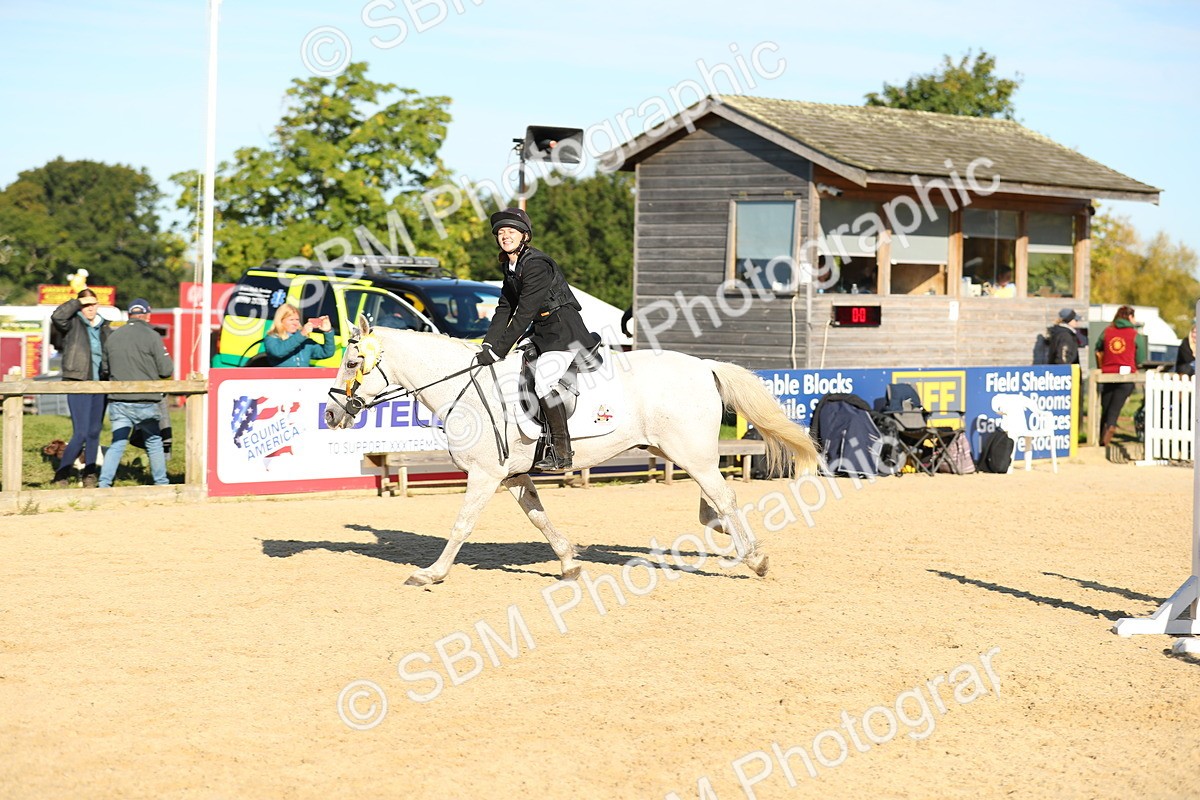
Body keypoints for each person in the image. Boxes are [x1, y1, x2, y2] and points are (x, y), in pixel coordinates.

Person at [475, 207, 596, 471]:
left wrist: (499, 350)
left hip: (564, 331)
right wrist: (487, 344)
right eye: (501, 232)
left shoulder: (537, 265)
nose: (505, 236)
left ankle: (562, 452)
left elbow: (524, 312)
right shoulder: (511, 267)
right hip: (543, 332)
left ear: (524, 236)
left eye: (511, 232)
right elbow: (504, 308)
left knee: (543, 381)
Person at [98, 299, 175, 488]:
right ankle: (161, 483)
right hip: (147, 400)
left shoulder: (113, 337)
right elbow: (166, 370)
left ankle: (104, 483)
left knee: (118, 443)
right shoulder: (152, 336)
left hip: (119, 400)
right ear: (147, 315)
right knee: (154, 441)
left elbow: (105, 369)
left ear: (129, 315)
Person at [49, 288, 111, 488]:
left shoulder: (104, 327)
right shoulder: (72, 323)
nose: (90, 308)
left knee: (94, 432)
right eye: (85, 305)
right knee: (81, 432)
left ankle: (89, 473)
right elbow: (57, 316)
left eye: (93, 304)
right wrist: (77, 302)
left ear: (98, 305)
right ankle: (62, 472)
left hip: (99, 383)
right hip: (77, 382)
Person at [1095, 305, 1147, 447]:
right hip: (1127, 376)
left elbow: (1098, 347)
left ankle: (1101, 437)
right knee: (1115, 406)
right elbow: (1141, 357)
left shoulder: (1107, 331)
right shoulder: (1134, 334)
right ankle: (1110, 427)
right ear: (1130, 317)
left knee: (1106, 405)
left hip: (1108, 373)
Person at [263, 304, 334, 366]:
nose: (295, 323)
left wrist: (328, 332)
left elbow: (326, 353)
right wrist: (301, 334)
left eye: (297, 320)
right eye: (291, 320)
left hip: (302, 379)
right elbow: (278, 352)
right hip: (282, 379)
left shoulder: (304, 340)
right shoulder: (272, 337)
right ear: (281, 321)